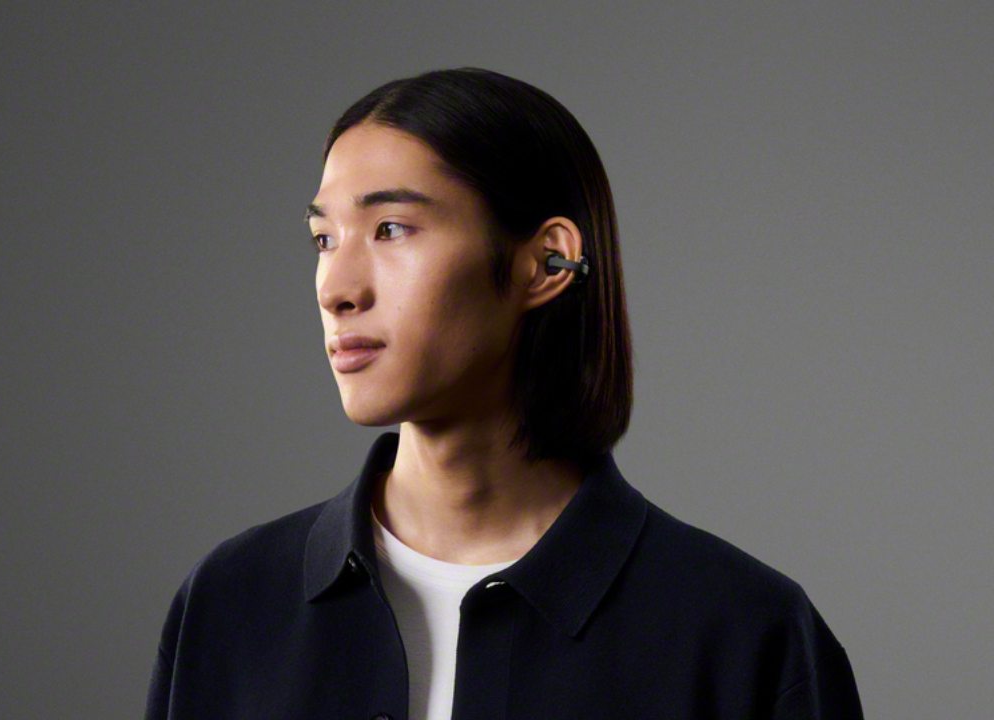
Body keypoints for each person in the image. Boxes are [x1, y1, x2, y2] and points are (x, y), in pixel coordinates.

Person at [145, 68, 864, 719]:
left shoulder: (745, 635)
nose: (336, 288)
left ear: (546, 263)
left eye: (390, 229)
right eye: (323, 239)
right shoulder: (231, 604)